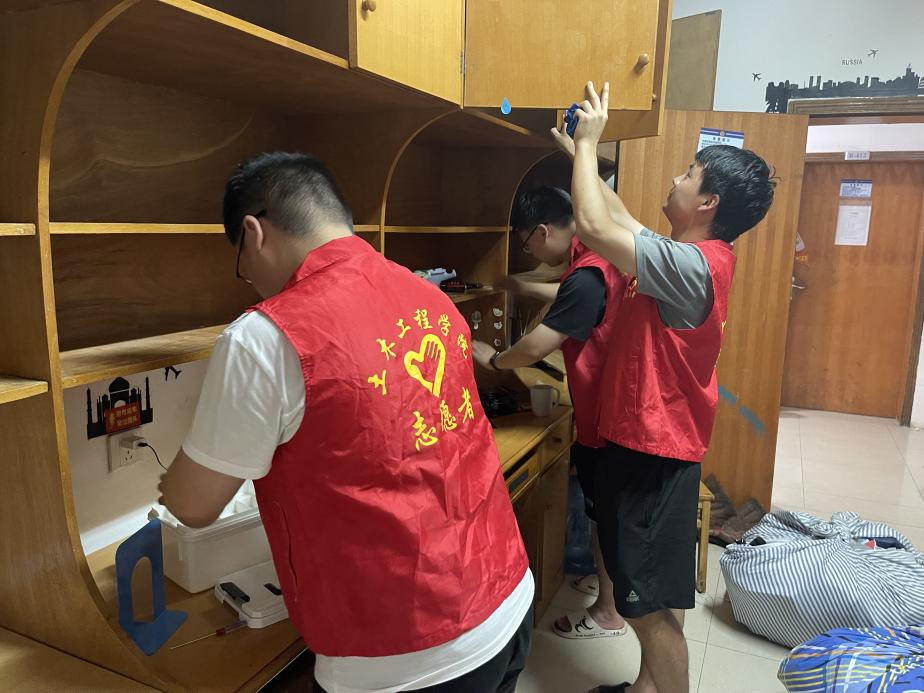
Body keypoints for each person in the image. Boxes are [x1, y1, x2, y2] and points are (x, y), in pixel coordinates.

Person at [158, 152, 534, 693]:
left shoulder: (265, 337)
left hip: (406, 654)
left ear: (253, 233)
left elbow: (192, 507)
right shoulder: (431, 297)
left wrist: (170, 483)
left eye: (240, 263)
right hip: (506, 597)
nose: (250, 282)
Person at [566, 82, 776, 693]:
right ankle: (646, 688)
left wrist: (590, 146)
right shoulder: (687, 253)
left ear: (707, 201)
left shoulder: (688, 266)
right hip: (653, 445)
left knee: (645, 608)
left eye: (688, 173)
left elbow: (590, 224)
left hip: (651, 454)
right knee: (655, 592)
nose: (675, 179)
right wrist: (579, 153)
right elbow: (617, 215)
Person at [471, 185, 628, 641]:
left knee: (605, 514)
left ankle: (608, 612)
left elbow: (538, 344)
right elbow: (567, 289)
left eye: (527, 244)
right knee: (603, 512)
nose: (531, 253)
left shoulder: (588, 273)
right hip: (608, 407)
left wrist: (494, 359)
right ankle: (608, 592)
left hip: (606, 417)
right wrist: (520, 285)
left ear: (541, 231)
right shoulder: (597, 255)